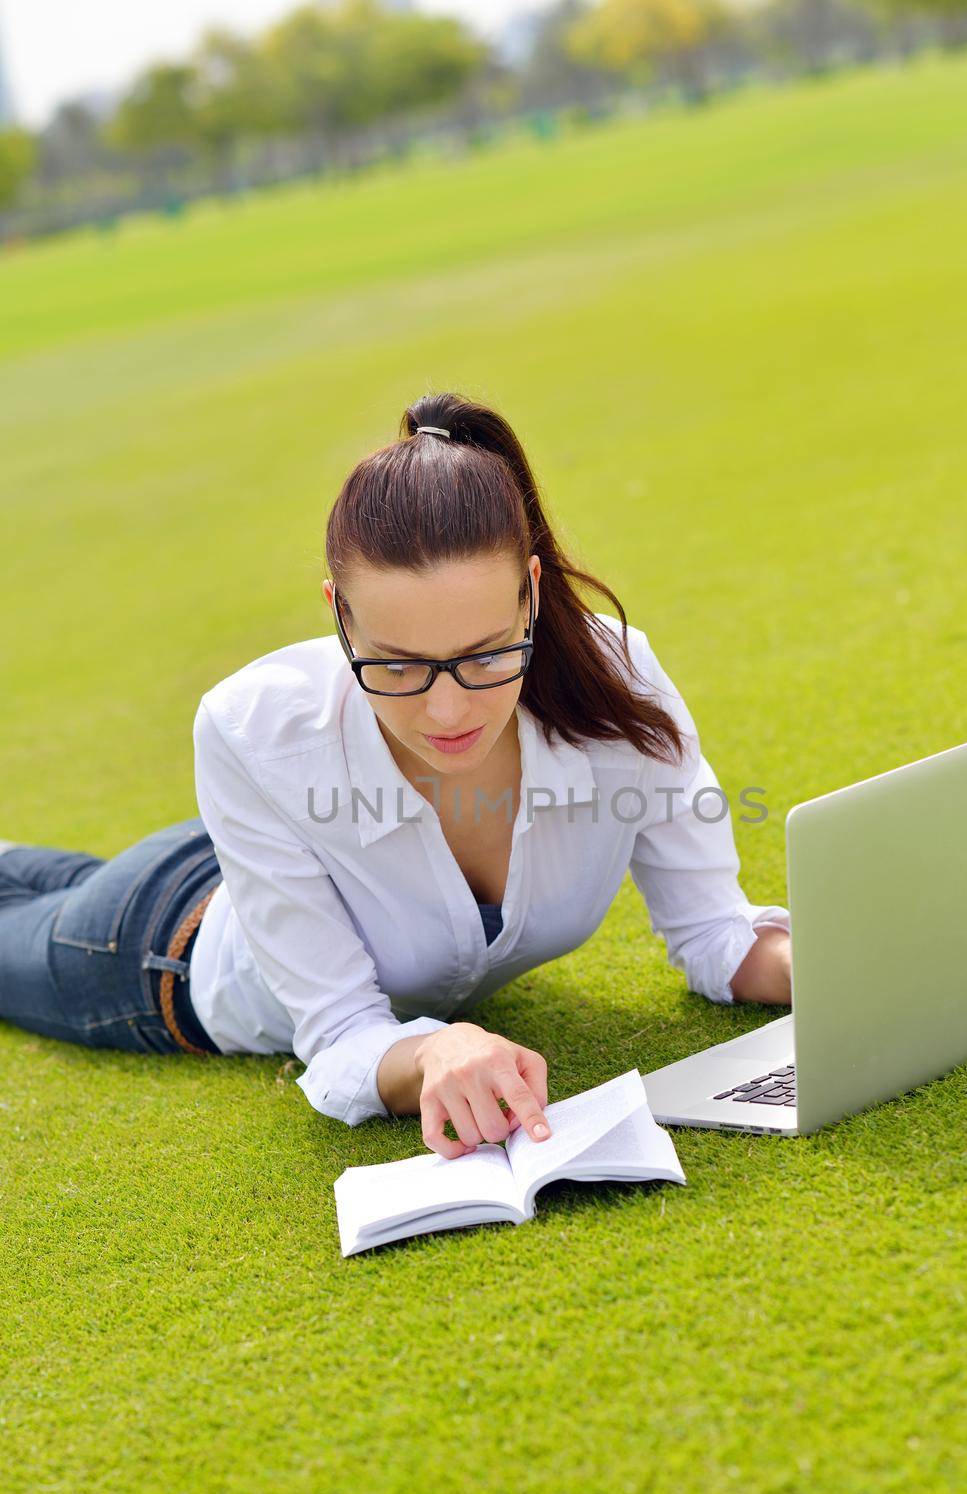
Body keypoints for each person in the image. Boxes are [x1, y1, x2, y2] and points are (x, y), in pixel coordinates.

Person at [0, 391, 791, 1159]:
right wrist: (433, 1055)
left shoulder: (620, 685)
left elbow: (717, 934)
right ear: (339, 613)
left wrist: (827, 969)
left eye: (486, 655)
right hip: (159, 947)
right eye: (400, 666)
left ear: (534, 593)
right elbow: (341, 1033)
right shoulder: (251, 726)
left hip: (265, 872)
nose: (448, 713)